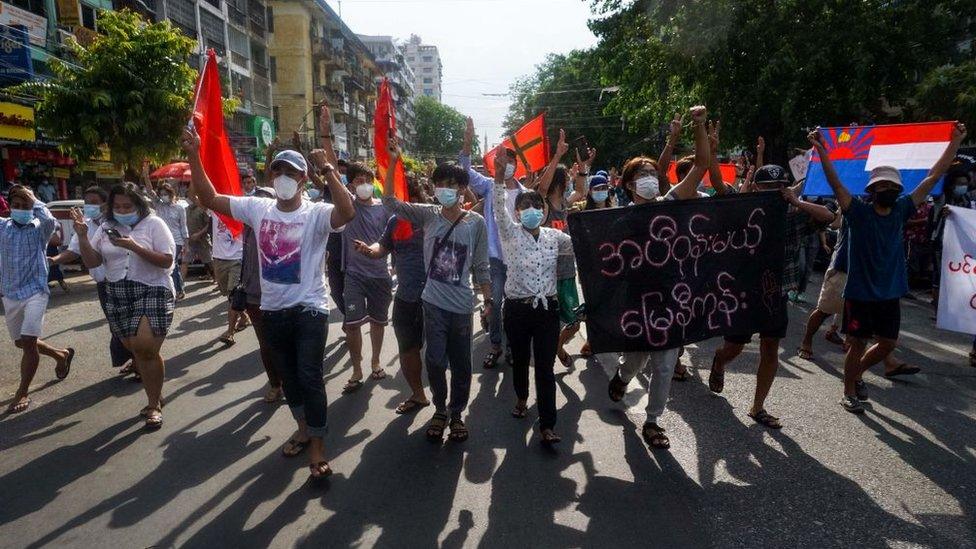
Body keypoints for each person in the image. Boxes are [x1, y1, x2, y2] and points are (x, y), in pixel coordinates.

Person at [183, 122, 355, 480]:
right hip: (272, 311)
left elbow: (347, 212)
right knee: (289, 379)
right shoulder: (258, 208)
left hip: (310, 308)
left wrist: (328, 169)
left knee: (310, 376)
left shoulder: (316, 213)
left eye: (290, 172)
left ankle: (319, 450)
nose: (282, 177)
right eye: (277, 171)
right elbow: (209, 199)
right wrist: (193, 154)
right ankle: (303, 428)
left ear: (303, 179)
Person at [810, 123, 968, 414]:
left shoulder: (902, 209)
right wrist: (821, 149)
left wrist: (955, 142)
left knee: (887, 344)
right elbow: (836, 184)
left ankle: (856, 374)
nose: (887, 190)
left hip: (889, 293)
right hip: (859, 292)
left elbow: (933, 176)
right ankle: (848, 392)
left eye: (892, 187)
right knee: (856, 343)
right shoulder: (857, 212)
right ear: (872, 190)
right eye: (882, 186)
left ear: (898, 190)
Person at [605, 105, 710, 449]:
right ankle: (622, 378)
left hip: (670, 299)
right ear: (630, 184)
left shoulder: (671, 202)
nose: (650, 177)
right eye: (643, 174)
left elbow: (701, 167)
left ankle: (652, 421)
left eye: (654, 172)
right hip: (638, 303)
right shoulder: (620, 220)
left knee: (665, 364)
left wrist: (700, 126)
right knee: (635, 360)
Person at [707, 162, 836, 429]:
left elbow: (828, 217)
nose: (772, 193)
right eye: (767, 188)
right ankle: (719, 360)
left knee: (770, 348)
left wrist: (796, 201)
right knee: (734, 348)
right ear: (756, 188)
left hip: (774, 296)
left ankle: (758, 407)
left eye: (778, 188)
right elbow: (720, 189)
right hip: (743, 295)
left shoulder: (792, 217)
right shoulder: (744, 214)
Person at [381, 139, 490, 443]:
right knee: (435, 360)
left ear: (462, 188)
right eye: (439, 183)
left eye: (451, 184)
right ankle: (440, 410)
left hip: (463, 306)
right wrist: (393, 162)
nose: (445, 189)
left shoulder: (476, 223)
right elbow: (389, 201)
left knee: (463, 365)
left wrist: (489, 299)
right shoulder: (427, 214)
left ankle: (457, 415)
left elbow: (481, 265)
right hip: (432, 304)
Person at [73, 182, 175, 429]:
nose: (122, 210)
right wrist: (83, 237)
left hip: (153, 288)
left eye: (127, 205)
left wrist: (134, 246)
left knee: (145, 346)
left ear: (138, 204)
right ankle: (155, 387)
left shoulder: (154, 224)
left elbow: (167, 260)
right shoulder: (106, 227)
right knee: (136, 349)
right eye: (117, 206)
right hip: (117, 292)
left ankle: (153, 405)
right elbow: (93, 261)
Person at [491, 151, 573, 444]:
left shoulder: (556, 237)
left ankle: (547, 425)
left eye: (536, 206)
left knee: (545, 367)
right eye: (525, 206)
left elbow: (584, 245)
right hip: (516, 310)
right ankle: (522, 397)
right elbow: (498, 206)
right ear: (517, 213)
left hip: (547, 310)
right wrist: (499, 174)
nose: (532, 210)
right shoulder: (510, 233)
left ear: (543, 211)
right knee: (521, 360)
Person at [353, 169, 430, 414]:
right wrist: (370, 250)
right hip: (407, 297)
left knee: (439, 356)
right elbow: (382, 246)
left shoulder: (434, 218)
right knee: (408, 348)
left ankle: (447, 409)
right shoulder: (395, 221)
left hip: (437, 298)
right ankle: (418, 395)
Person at [1, 185, 75, 413]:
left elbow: (49, 219)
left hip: (36, 291)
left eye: (26, 206)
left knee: (29, 342)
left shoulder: (40, 228)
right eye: (17, 205)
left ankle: (22, 391)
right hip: (10, 293)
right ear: (10, 207)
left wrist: (34, 199)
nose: (21, 209)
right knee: (21, 342)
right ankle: (60, 354)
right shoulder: (2, 227)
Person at [461, 117, 525, 369]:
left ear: (516, 164)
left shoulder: (524, 194)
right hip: (494, 259)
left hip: (518, 259)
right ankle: (496, 345)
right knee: (496, 304)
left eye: (510, 160)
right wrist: (467, 142)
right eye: (502, 160)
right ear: (495, 164)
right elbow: (464, 170)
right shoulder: (489, 186)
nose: (506, 165)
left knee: (515, 308)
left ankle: (512, 347)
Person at [49, 185, 133, 372]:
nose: (90, 207)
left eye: (95, 203)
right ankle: (134, 359)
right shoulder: (83, 224)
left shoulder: (116, 223)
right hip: (103, 284)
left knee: (132, 324)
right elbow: (73, 251)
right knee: (116, 325)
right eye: (87, 203)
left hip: (125, 280)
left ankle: (140, 363)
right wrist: (53, 260)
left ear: (105, 204)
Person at [530, 130, 588, 367]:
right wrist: (556, 157)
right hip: (547, 276)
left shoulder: (565, 205)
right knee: (551, 321)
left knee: (575, 321)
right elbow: (541, 189)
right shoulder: (543, 207)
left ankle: (556, 347)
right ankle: (550, 351)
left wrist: (583, 168)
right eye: (568, 180)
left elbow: (582, 191)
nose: (570, 184)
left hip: (567, 272)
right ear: (560, 181)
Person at [339, 161, 394, 393]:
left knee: (378, 322)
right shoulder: (347, 207)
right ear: (350, 185)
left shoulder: (383, 208)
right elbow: (332, 170)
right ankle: (356, 369)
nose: (364, 185)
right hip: (354, 274)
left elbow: (391, 192)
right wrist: (324, 137)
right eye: (359, 181)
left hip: (380, 275)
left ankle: (375, 362)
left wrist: (391, 163)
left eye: (368, 181)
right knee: (352, 325)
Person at [239, 186, 284, 403]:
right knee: (266, 346)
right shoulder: (247, 228)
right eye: (256, 203)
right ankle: (275, 384)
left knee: (288, 344)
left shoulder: (287, 226)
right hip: (255, 296)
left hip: (285, 296)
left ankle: (292, 382)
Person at [143, 167, 189, 300]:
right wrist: (146, 176)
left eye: (166, 194)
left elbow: (183, 226)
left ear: (171, 194)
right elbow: (150, 192)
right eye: (161, 194)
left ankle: (175, 291)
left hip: (177, 240)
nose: (163, 196)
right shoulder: (159, 205)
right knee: (171, 266)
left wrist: (187, 244)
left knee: (171, 264)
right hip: (162, 239)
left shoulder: (180, 208)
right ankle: (178, 288)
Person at [212, 211, 249, 345]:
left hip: (237, 258)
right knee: (228, 294)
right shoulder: (214, 209)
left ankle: (230, 332)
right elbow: (196, 197)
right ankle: (244, 316)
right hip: (219, 258)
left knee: (234, 295)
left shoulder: (240, 210)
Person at [182, 190, 214, 283]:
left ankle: (217, 280)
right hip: (190, 242)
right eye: (188, 197)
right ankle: (180, 285)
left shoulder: (202, 210)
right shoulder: (185, 210)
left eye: (191, 197)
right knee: (185, 262)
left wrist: (199, 234)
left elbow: (209, 224)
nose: (190, 199)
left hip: (203, 241)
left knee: (209, 262)